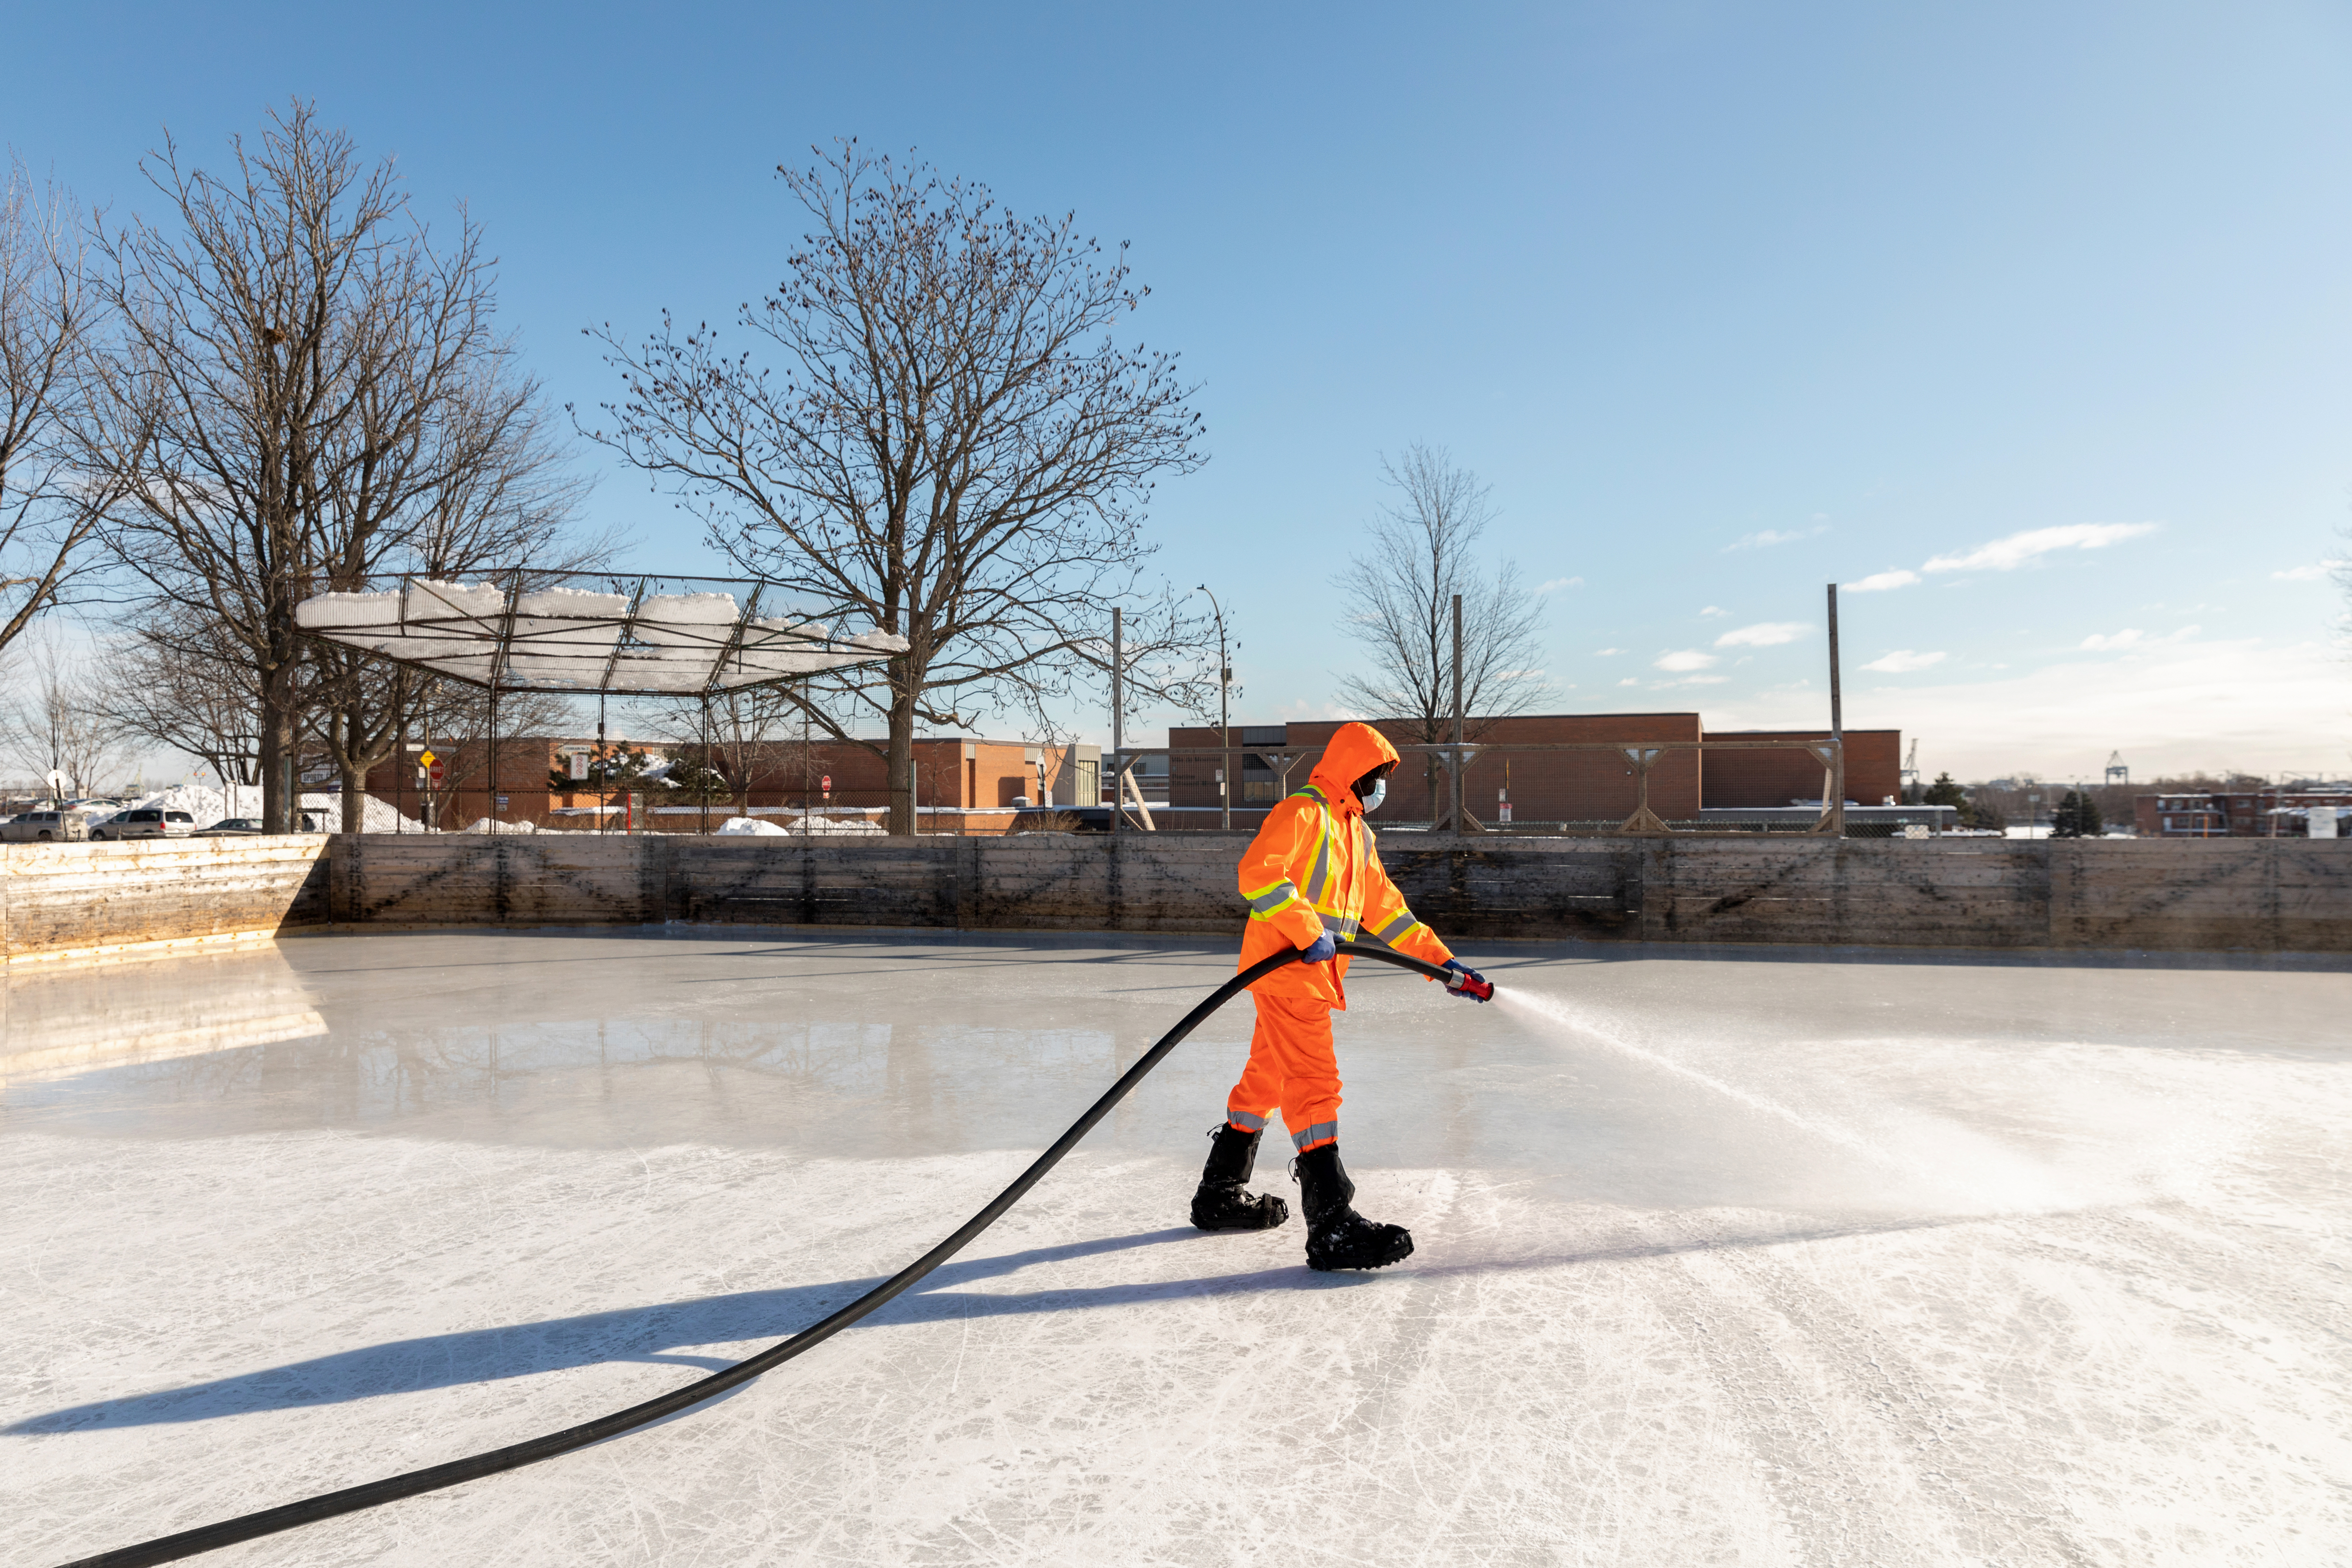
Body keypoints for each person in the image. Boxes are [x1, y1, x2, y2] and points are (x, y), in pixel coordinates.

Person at [1189, 721, 1487, 1271]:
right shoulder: (1303, 812)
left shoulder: (1355, 833)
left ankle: (1220, 1191)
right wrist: (1307, 930)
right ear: (1357, 772)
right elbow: (1258, 873)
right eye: (1378, 777)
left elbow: (1390, 913)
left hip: (1308, 978)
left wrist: (1442, 964)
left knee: (1268, 1077)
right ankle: (1330, 1223)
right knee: (1314, 1083)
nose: (1381, 788)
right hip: (1287, 971)